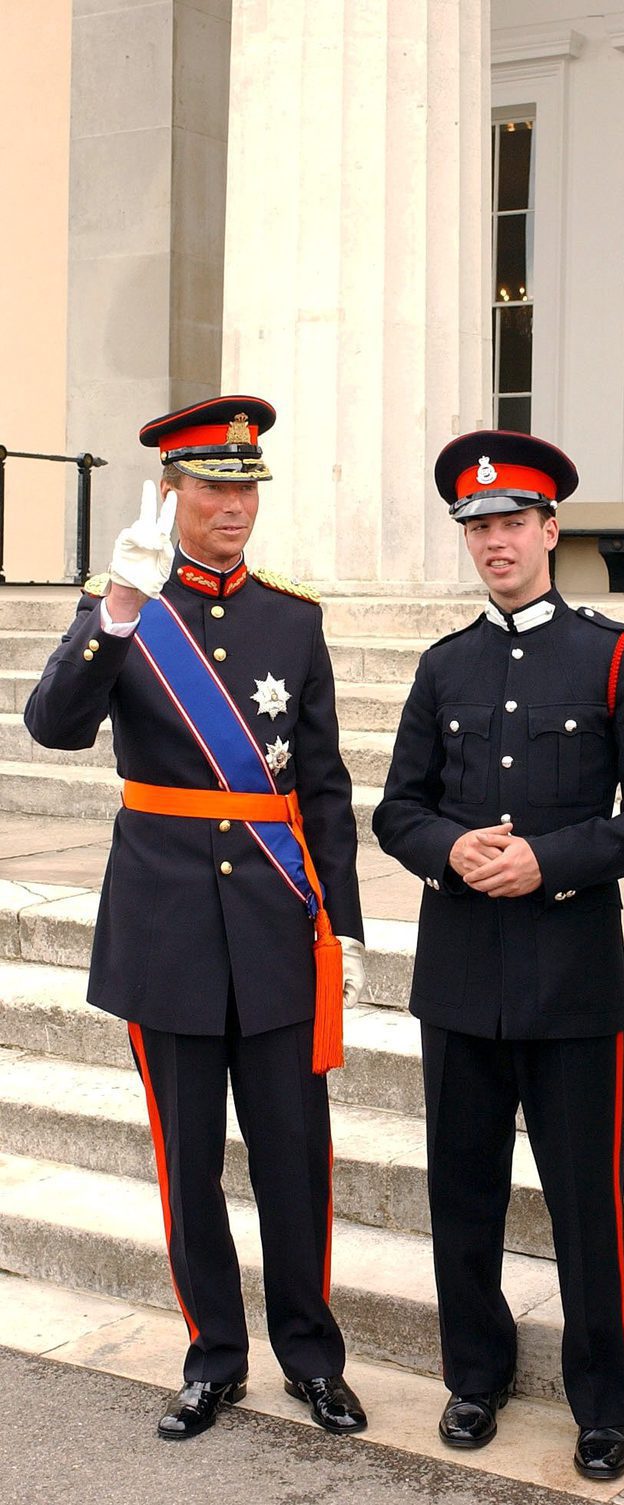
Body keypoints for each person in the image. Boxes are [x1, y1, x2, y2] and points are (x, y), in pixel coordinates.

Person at [25, 397, 370, 1442]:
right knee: (190, 1164)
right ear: (168, 492)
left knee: (294, 1158)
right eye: (214, 487)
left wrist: (341, 924)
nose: (234, 506)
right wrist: (117, 608)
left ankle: (310, 1356)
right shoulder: (126, 606)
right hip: (166, 925)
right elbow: (51, 726)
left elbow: (320, 784)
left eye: (246, 487)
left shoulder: (291, 617)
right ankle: (214, 1355)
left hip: (273, 922)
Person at [372, 430, 624, 1482]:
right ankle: (476, 1373)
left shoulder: (612, 654)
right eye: (477, 526)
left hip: (569, 980)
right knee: (460, 1192)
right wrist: (447, 848)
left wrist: (550, 860)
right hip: (459, 975)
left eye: (512, 521)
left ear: (552, 529)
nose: (494, 541)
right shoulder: (442, 664)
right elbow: (396, 810)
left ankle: (601, 1402)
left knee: (582, 1203)